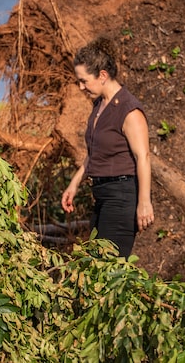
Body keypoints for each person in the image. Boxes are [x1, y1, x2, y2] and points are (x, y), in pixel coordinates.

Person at [61, 41, 154, 258]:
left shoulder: (129, 110)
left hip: (121, 197)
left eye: (84, 81)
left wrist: (144, 202)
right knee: (95, 264)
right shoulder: (99, 105)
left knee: (110, 269)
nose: (81, 87)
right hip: (102, 196)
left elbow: (143, 157)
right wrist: (74, 184)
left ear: (102, 75)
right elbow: (95, 154)